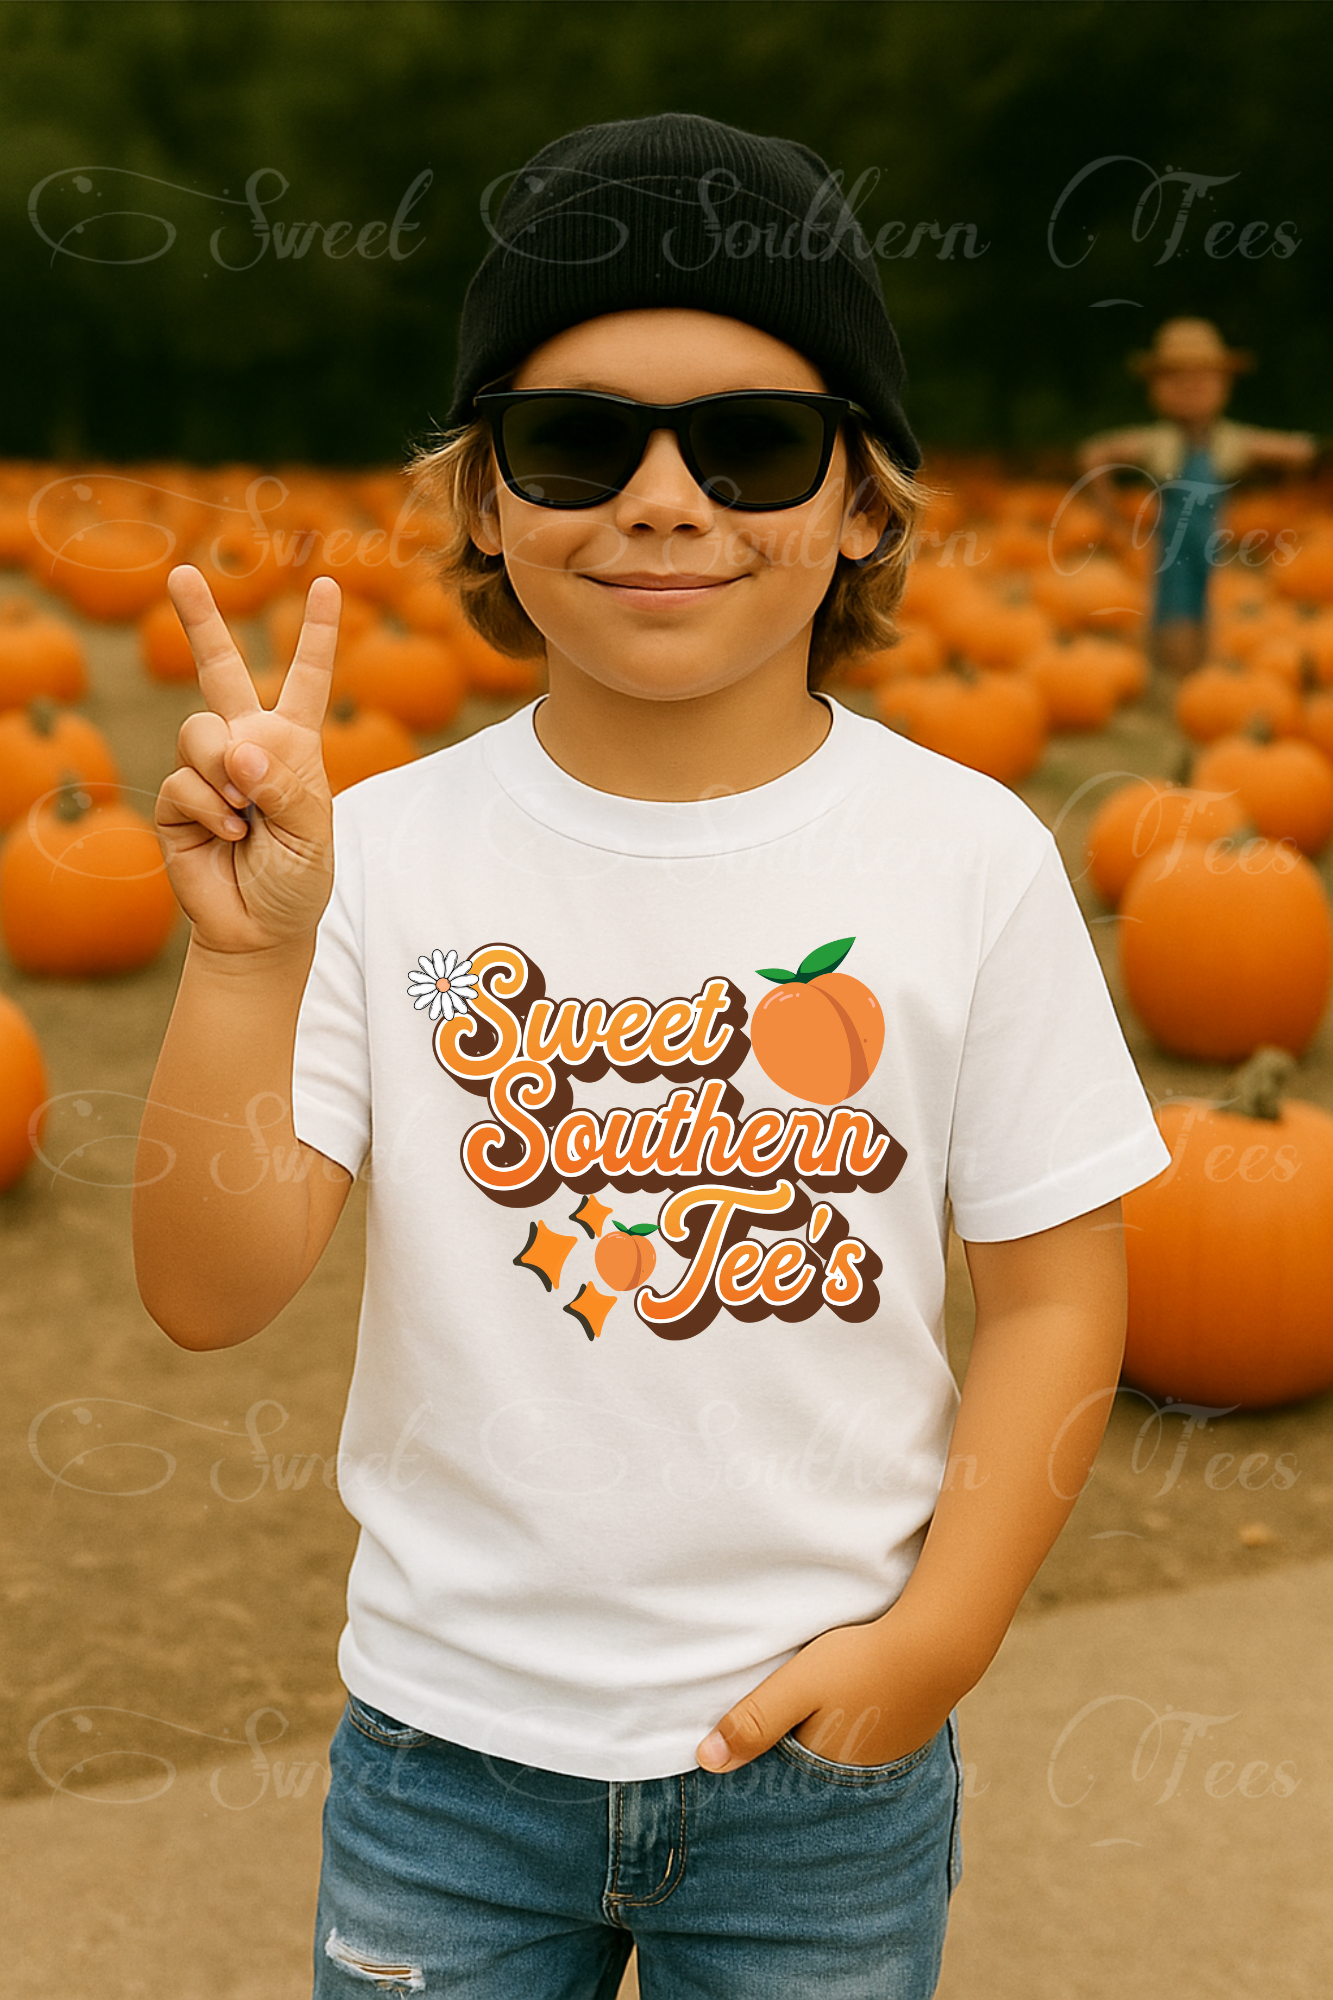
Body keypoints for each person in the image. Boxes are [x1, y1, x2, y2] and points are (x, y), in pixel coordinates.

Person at [134, 113, 1171, 2000]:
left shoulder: (967, 862)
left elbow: (1052, 1297)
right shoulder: (388, 855)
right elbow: (211, 1294)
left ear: (860, 498)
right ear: (483, 496)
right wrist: (246, 962)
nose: (664, 496)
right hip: (445, 1759)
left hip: (822, 1772)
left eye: (751, 441)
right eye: (578, 440)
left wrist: (938, 1642)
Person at [1077, 316, 1315, 681]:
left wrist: (1286, 499)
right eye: (1177, 379)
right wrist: (1113, 519)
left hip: (1218, 541)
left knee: (1223, 611)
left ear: (1223, 384)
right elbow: (1094, 454)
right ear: (1156, 387)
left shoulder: (1229, 440)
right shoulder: (1158, 443)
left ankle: (1214, 680)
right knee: (1175, 609)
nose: (1191, 387)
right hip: (1173, 543)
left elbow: (1296, 451)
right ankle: (1180, 681)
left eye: (1203, 378)